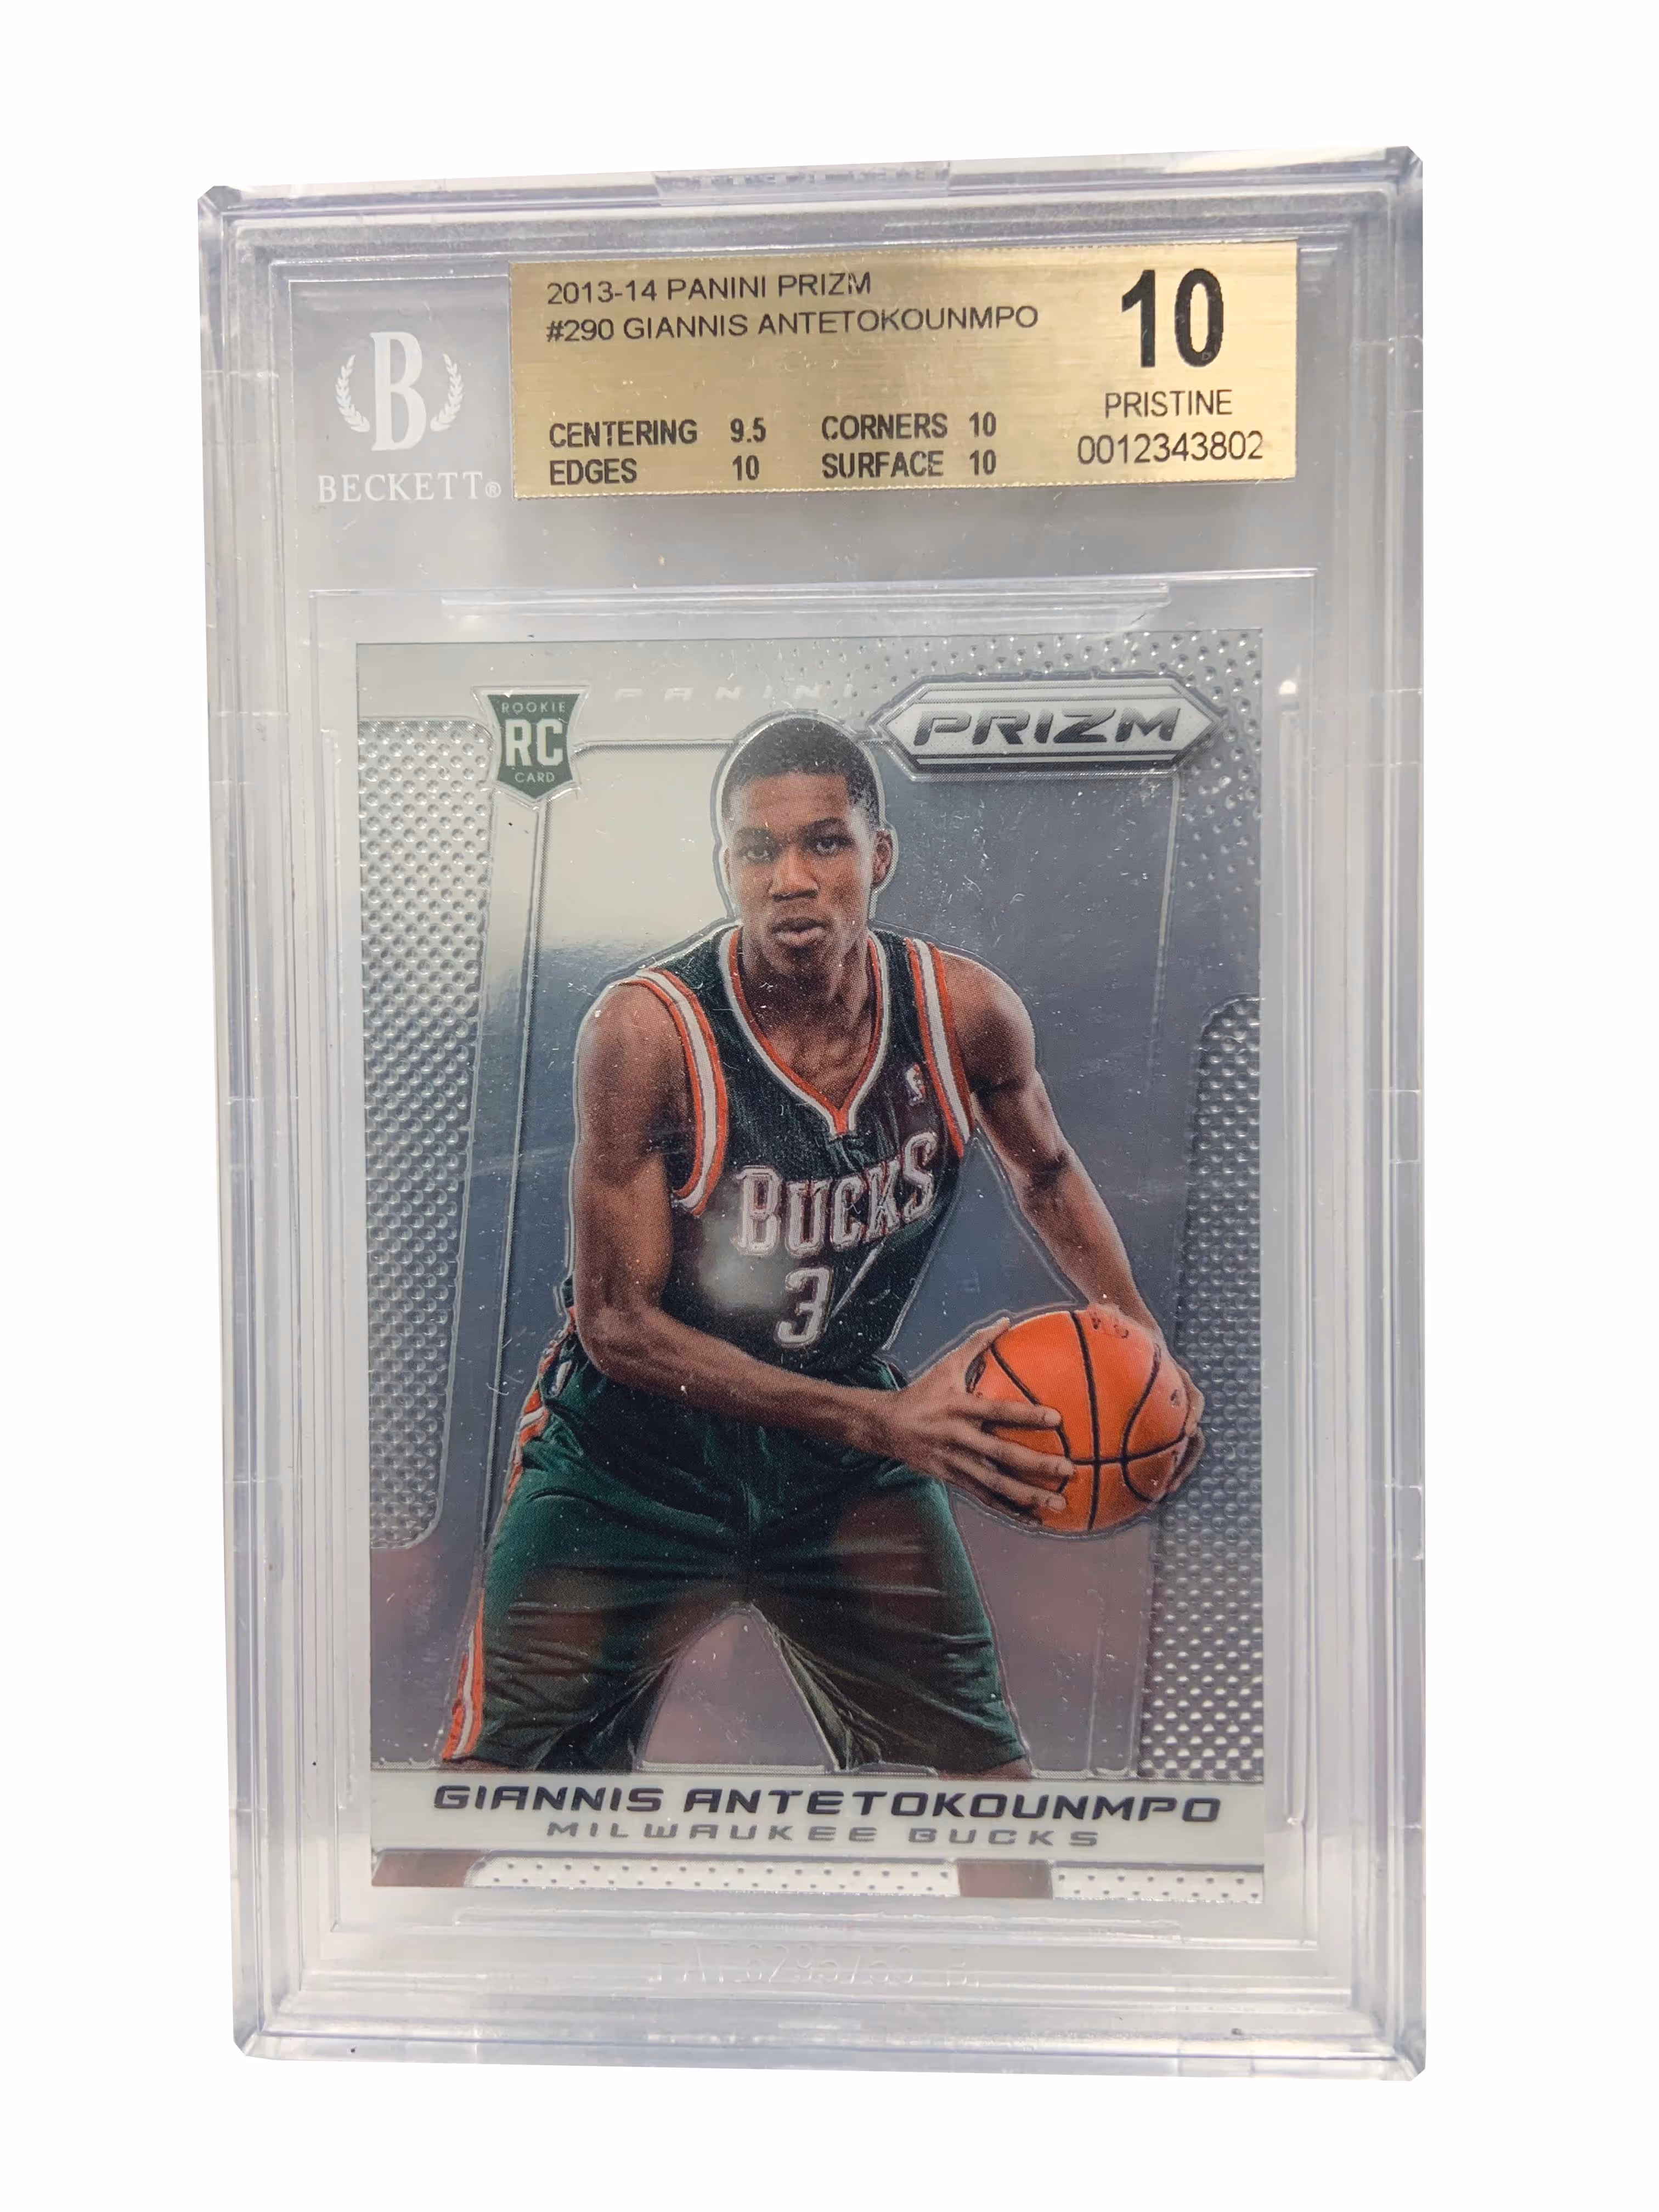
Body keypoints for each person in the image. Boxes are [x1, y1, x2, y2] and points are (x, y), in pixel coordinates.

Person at [444, 713, 1201, 1775]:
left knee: (986, 1788)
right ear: (728, 868)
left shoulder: (964, 1012)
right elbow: (617, 1328)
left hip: (839, 1459)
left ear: (878, 856)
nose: (792, 879)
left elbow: (1045, 1170)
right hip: (632, 1459)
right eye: (759, 850)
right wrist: (885, 1421)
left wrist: (1137, 1341)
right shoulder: (648, 1032)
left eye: (825, 843)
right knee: (483, 1790)